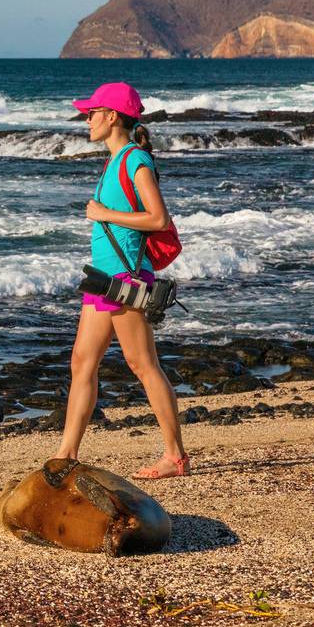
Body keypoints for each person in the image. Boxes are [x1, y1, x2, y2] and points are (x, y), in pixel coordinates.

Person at [54, 81, 189, 478]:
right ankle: (66, 455)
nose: (87, 119)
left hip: (125, 281)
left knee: (143, 364)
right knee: (82, 362)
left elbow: (158, 219)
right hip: (103, 280)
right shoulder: (113, 162)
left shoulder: (135, 161)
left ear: (112, 117)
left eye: (92, 113)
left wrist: (104, 214)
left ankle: (175, 456)